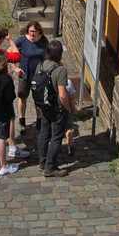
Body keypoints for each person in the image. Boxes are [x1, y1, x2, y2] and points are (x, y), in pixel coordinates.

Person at [35, 40, 76, 177]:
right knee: (56, 136)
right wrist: (66, 108)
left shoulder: (40, 66)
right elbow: (63, 94)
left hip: (44, 106)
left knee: (44, 133)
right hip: (57, 108)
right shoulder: (60, 70)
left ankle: (42, 162)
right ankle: (50, 167)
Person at [13, 19, 48, 131]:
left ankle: (39, 119)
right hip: (25, 74)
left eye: (34, 31)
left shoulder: (43, 40)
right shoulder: (22, 41)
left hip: (38, 75)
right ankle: (22, 120)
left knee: (38, 99)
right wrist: (15, 67)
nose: (32, 34)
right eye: (30, 31)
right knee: (22, 97)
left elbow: (47, 54)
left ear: (39, 31)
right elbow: (10, 52)